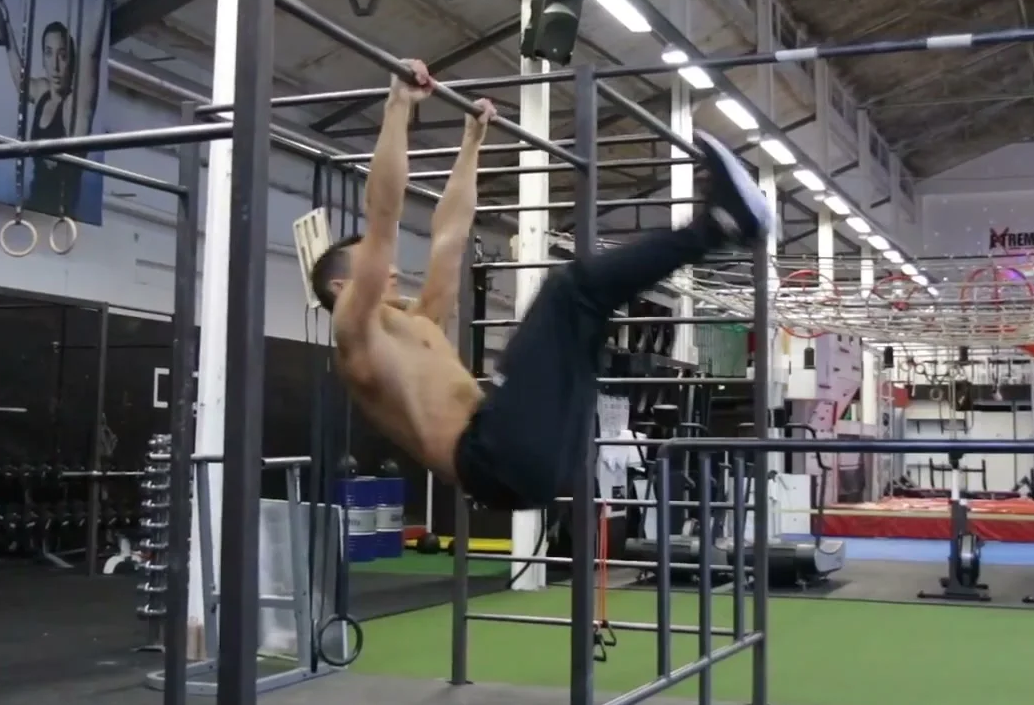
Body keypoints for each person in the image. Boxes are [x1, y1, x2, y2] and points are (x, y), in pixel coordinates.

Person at [309, 61, 772, 511]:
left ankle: (723, 223)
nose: (389, 272)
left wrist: (472, 143)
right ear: (340, 283)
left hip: (533, 456)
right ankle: (719, 225)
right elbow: (383, 219)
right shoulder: (357, 335)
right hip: (494, 457)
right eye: (369, 264)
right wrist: (396, 107)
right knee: (569, 290)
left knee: (589, 314)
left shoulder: (417, 324)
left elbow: (450, 235)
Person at [0, 0, 108, 219]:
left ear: (72, 62)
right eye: (48, 53)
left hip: (59, 217)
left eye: (63, 56)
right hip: (33, 207)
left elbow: (91, 53)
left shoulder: (76, 108)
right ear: (43, 58)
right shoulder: (43, 93)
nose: (55, 65)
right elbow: (20, 79)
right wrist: (6, 25)